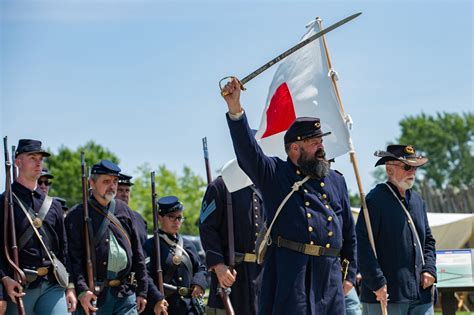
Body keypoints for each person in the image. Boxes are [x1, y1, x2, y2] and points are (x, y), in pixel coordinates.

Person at [221, 78, 357, 314]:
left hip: (330, 279)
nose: (321, 148)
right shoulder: (275, 175)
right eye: (314, 143)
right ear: (295, 148)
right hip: (293, 276)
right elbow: (248, 153)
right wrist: (235, 110)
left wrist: (350, 275)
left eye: (321, 141)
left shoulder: (337, 180)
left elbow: (349, 235)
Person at [356, 145, 437, 315]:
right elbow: (362, 245)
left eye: (415, 167)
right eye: (407, 167)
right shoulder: (374, 200)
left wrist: (429, 268)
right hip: (385, 294)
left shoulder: (417, 200)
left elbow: (428, 240)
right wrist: (376, 282)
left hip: (421, 294)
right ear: (389, 170)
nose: (412, 172)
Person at [0, 139, 77, 314]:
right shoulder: (4, 202)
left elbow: (63, 249)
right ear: (18, 162)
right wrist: (4, 279)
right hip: (19, 286)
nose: (38, 163)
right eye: (32, 158)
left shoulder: (53, 206)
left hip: (53, 284)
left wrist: (70, 287)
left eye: (40, 159)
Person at [66, 160, 148, 314]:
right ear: (92, 182)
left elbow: (138, 252)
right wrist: (82, 290)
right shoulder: (77, 214)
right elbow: (73, 258)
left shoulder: (124, 210)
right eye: (106, 181)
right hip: (94, 294)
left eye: (115, 181)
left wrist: (143, 291)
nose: (112, 186)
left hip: (125, 292)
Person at [199, 176, 263, 315]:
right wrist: (218, 265)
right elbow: (207, 228)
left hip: (261, 274)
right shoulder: (220, 185)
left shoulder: (263, 183)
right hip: (231, 274)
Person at [143, 196, 207, 315]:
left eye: (179, 217)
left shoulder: (188, 245)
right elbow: (145, 275)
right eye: (171, 217)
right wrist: (157, 298)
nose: (176, 221)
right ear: (160, 218)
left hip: (188, 308)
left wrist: (199, 283)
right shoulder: (150, 245)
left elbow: (200, 268)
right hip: (164, 307)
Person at [117, 173, 148, 245]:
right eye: (120, 190)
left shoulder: (140, 219)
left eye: (127, 190)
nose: (125, 194)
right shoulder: (108, 216)